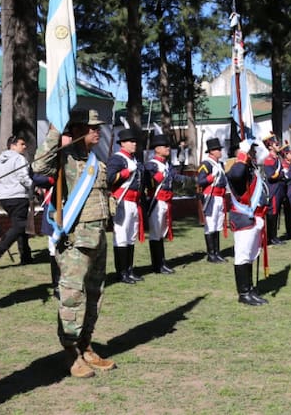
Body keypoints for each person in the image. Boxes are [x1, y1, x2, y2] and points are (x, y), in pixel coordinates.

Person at [38, 109, 116, 379]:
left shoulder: (96, 160)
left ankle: (85, 344)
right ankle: (71, 350)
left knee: (95, 294)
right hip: (75, 241)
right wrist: (54, 133)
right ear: (78, 130)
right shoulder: (65, 158)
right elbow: (39, 167)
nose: (97, 131)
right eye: (92, 127)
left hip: (97, 238)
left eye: (98, 127)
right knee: (72, 296)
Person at [227, 139, 270, 306]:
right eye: (251, 150)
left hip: (253, 218)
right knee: (243, 256)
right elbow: (237, 175)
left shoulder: (250, 168)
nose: (254, 153)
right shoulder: (236, 167)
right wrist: (242, 154)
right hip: (243, 218)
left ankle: (250, 289)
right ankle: (243, 293)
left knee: (250, 256)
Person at [0, 134, 34, 267]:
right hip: (18, 196)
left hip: (4, 198)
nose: (25, 147)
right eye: (22, 144)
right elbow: (23, 177)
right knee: (20, 225)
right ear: (13, 145)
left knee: (19, 225)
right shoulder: (19, 158)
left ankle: (26, 256)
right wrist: (33, 187)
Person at [107, 128, 145, 284]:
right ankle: (121, 272)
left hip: (135, 202)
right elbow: (109, 178)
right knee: (121, 236)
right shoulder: (117, 159)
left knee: (131, 236)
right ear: (122, 143)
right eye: (131, 141)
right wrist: (125, 173)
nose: (134, 144)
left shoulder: (135, 160)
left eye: (135, 141)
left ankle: (129, 270)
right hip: (122, 201)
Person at [144, 134, 185, 274]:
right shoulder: (151, 165)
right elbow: (149, 183)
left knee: (161, 232)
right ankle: (157, 265)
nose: (168, 148)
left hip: (166, 200)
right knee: (156, 233)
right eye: (165, 146)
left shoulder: (167, 164)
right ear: (157, 149)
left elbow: (175, 178)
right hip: (156, 201)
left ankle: (162, 263)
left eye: (168, 146)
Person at [197, 138, 228, 263]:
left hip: (220, 197)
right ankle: (211, 254)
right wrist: (211, 177)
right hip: (211, 197)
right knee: (210, 225)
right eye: (218, 149)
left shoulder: (220, 164)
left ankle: (217, 252)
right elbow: (200, 181)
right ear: (211, 151)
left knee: (217, 225)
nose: (220, 151)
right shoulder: (206, 164)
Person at [261, 133, 286, 246]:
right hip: (273, 189)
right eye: (276, 144)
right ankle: (272, 237)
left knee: (276, 213)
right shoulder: (269, 159)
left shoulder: (277, 158)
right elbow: (271, 176)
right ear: (270, 146)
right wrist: (281, 174)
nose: (278, 145)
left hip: (278, 189)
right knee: (272, 213)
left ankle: (273, 236)